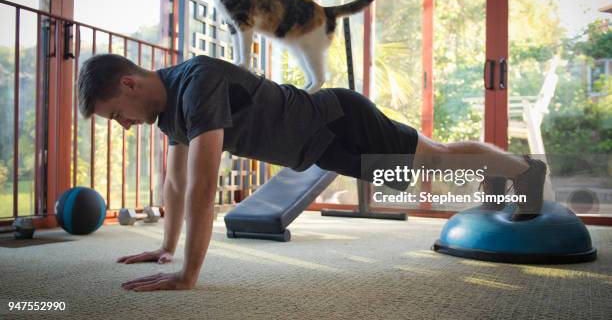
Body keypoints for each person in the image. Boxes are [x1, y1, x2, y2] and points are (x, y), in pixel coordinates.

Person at [77, 53, 546, 292]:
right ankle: (501, 175)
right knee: (428, 164)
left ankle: (525, 171)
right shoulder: (169, 114)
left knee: (436, 159)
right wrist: (165, 247)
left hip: (338, 120)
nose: (121, 124)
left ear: (128, 83)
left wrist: (189, 273)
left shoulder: (198, 82)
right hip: (325, 148)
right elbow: (175, 183)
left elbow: (202, 186)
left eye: (115, 113)